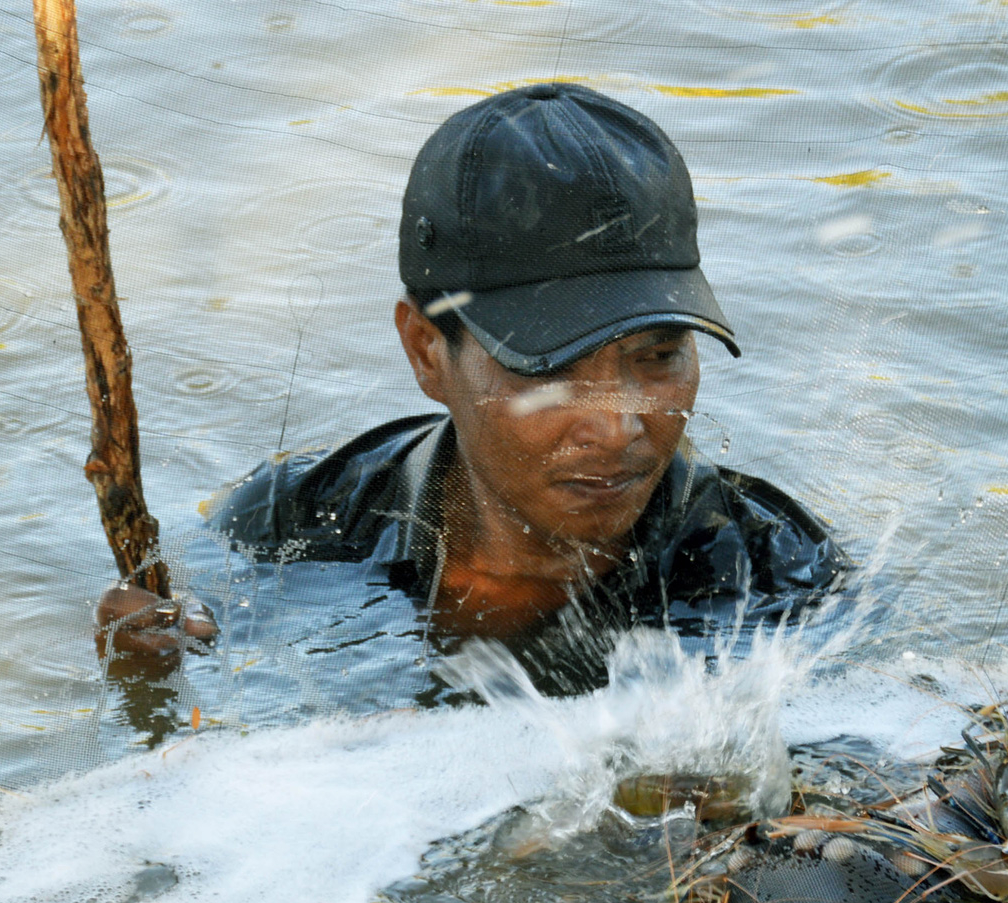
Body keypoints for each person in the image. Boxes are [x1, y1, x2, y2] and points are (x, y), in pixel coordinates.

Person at [97, 83, 848, 692]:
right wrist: (154, 661)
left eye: (657, 356)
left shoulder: (775, 574)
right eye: (550, 367)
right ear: (427, 352)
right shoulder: (299, 523)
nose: (619, 428)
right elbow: (193, 622)